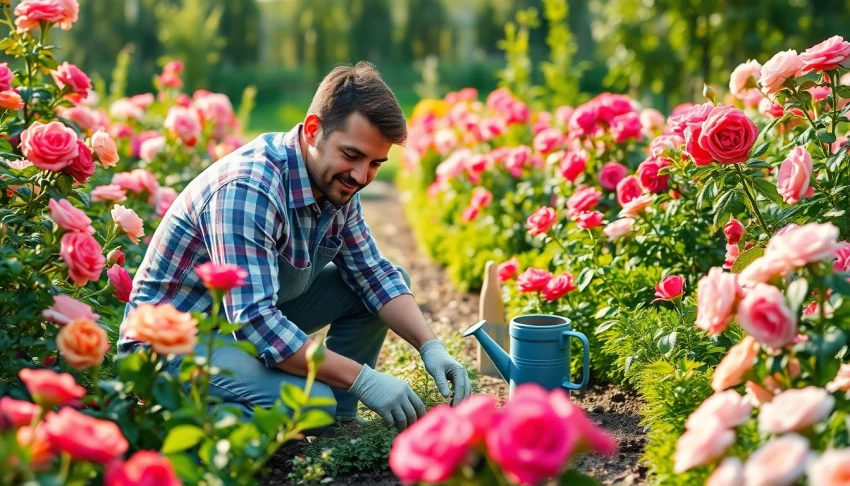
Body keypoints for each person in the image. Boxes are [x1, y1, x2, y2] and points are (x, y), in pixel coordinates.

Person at [117, 61, 473, 432]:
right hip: (172, 347)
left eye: (375, 164)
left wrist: (432, 346)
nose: (361, 176)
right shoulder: (248, 188)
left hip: (233, 328)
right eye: (352, 155)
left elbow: (373, 275)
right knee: (311, 406)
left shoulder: (335, 183)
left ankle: (337, 421)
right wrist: (363, 378)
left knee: (383, 287)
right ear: (313, 129)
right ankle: (170, 424)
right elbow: (255, 322)